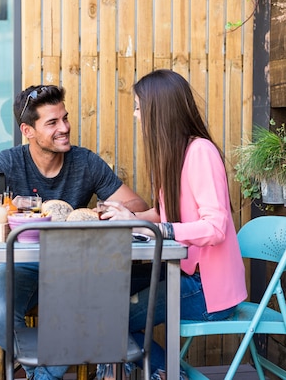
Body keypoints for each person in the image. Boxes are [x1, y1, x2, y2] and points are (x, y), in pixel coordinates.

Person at [0, 84, 149, 380]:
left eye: (64, 118)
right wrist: (6, 210)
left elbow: (136, 204)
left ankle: (46, 375)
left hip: (76, 268)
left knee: (95, 314)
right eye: (52, 123)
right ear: (28, 131)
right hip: (21, 264)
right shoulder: (8, 163)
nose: (64, 128)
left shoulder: (85, 162)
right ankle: (40, 371)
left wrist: (99, 212)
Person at [101, 69, 248, 379]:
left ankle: (170, 375)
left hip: (207, 291)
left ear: (159, 110)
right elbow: (165, 213)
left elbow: (215, 226)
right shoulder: (176, 155)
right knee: (104, 300)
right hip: (188, 278)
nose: (136, 115)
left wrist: (161, 230)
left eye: (140, 107)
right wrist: (131, 217)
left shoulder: (200, 153)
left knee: (112, 318)